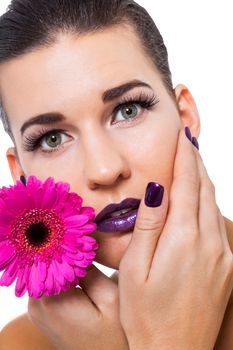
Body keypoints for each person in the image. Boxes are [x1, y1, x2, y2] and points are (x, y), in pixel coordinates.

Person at [0, 0, 233, 349]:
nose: (105, 170)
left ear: (185, 116)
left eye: (128, 110)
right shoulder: (24, 343)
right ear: (22, 176)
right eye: (53, 139)